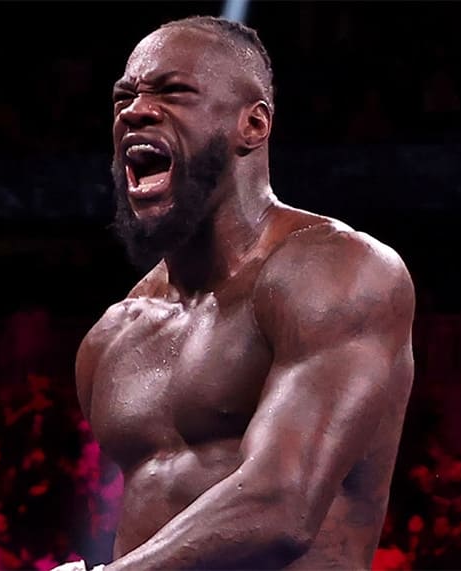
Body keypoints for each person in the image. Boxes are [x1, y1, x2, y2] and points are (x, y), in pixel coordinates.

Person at [67, 15, 415, 571]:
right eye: (124, 98)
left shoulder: (337, 272)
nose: (135, 111)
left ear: (253, 124)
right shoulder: (112, 336)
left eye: (173, 92)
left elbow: (282, 505)